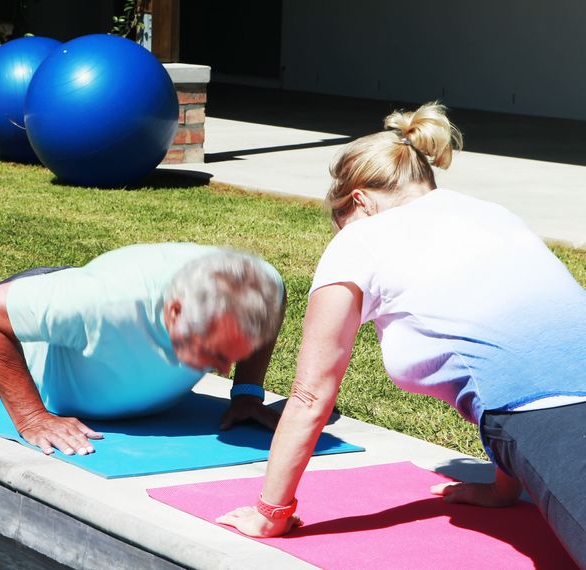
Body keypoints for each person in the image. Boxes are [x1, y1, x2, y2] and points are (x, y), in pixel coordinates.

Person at [216, 103, 586, 565]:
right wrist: (505, 487)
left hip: (552, 418)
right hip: (548, 415)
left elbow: (311, 396)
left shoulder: (361, 238)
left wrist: (270, 512)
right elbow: (523, 348)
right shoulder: (489, 213)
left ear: (360, 202)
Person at [0, 227, 287, 455]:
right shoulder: (103, 304)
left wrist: (247, 392)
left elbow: (276, 296)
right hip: (22, 344)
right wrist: (32, 416)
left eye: (231, 355)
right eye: (211, 353)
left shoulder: (258, 284)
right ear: (175, 311)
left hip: (60, 297)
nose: (219, 369)